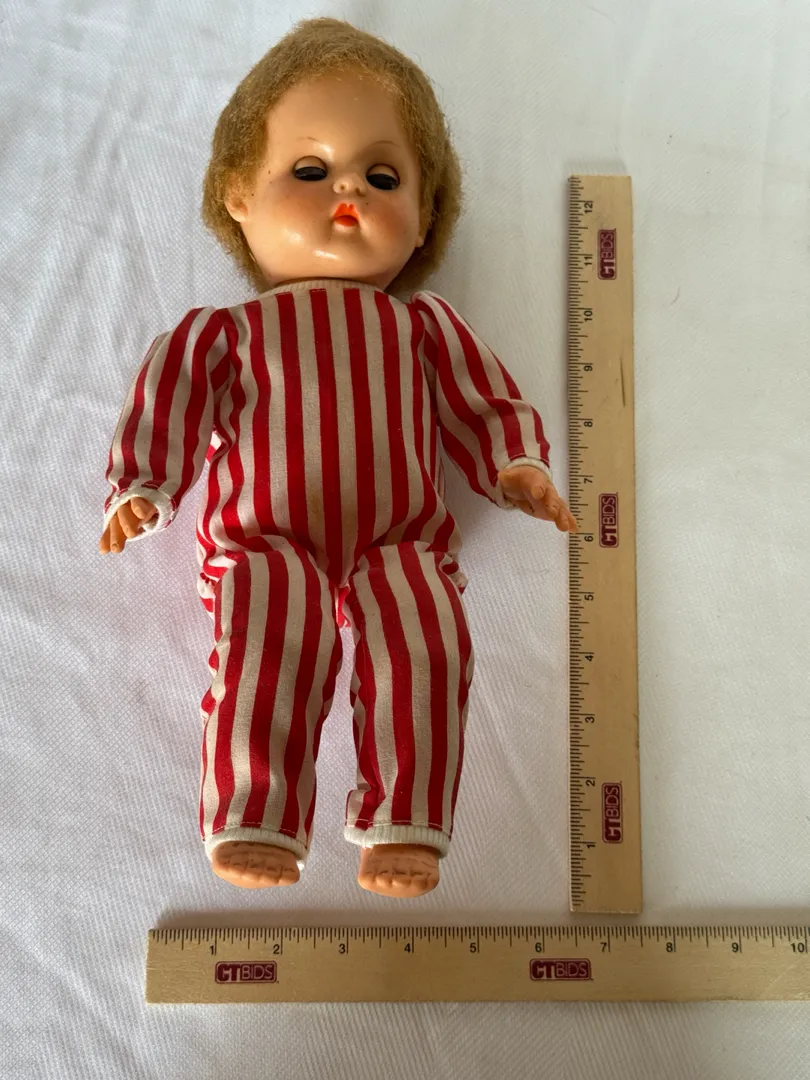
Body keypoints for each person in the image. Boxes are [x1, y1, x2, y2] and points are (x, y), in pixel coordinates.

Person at [99, 18, 576, 898]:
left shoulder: (422, 326)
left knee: (428, 644)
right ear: (238, 195)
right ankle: (255, 812)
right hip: (266, 537)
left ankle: (406, 820)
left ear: (423, 219)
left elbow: (482, 397)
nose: (348, 189)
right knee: (266, 641)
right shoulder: (227, 332)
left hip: (403, 539)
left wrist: (515, 463)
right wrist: (145, 484)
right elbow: (169, 399)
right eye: (309, 170)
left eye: (382, 177)